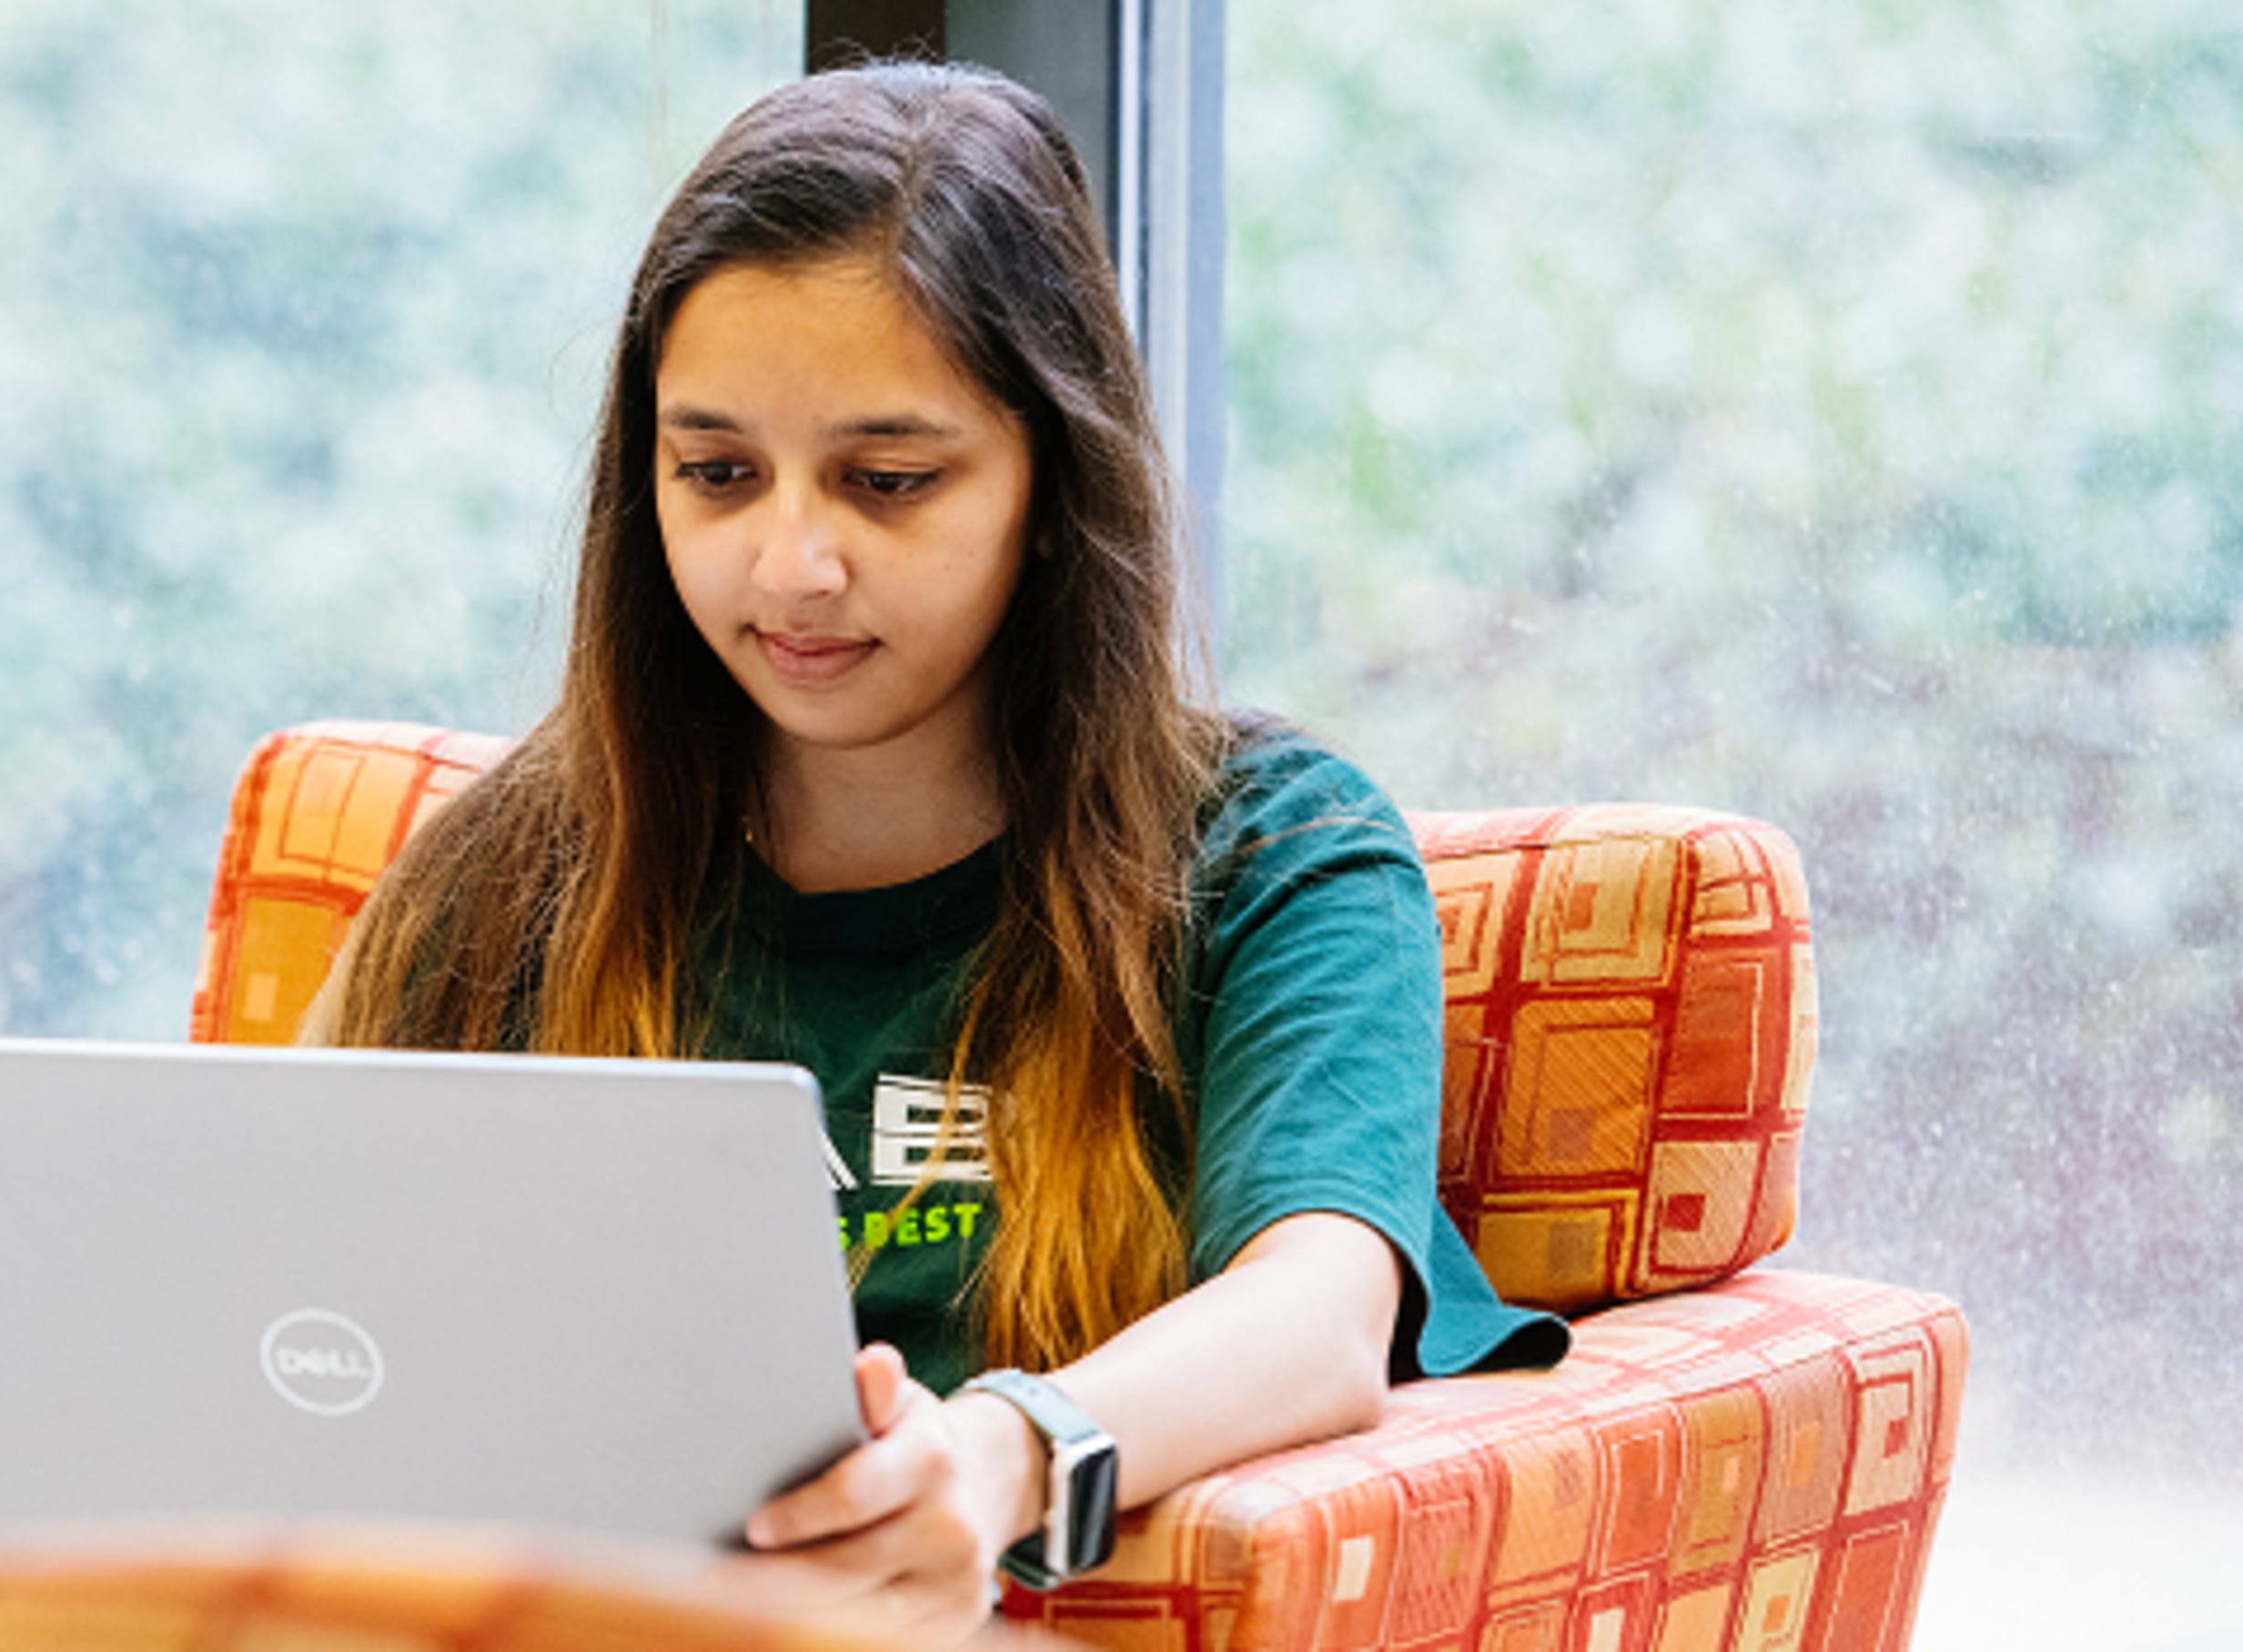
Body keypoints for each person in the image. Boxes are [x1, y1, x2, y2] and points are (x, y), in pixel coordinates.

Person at [306, 61, 1563, 1639]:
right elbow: (296, 1318)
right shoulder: (512, 872)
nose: (793, 564)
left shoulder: (1270, 854)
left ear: (1052, 479)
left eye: (888, 482)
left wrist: (1001, 1460)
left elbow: (1319, 1313)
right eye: (716, 474)